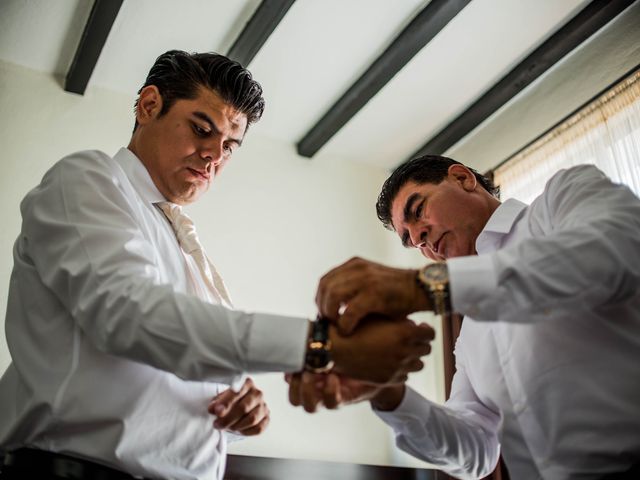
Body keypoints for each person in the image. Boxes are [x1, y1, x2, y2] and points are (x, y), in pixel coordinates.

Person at [0, 50, 435, 480]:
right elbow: (130, 315)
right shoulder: (88, 180)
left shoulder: (185, 247)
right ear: (149, 105)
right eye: (201, 129)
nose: (213, 156)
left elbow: (171, 375)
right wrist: (321, 343)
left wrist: (239, 415)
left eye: (229, 145)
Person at [290, 155, 640, 479]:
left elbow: (617, 248)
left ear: (462, 178)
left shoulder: (561, 201)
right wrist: (388, 393)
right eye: (411, 241)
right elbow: (477, 451)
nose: (420, 239)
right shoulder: (470, 332)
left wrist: (423, 288)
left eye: (419, 210)